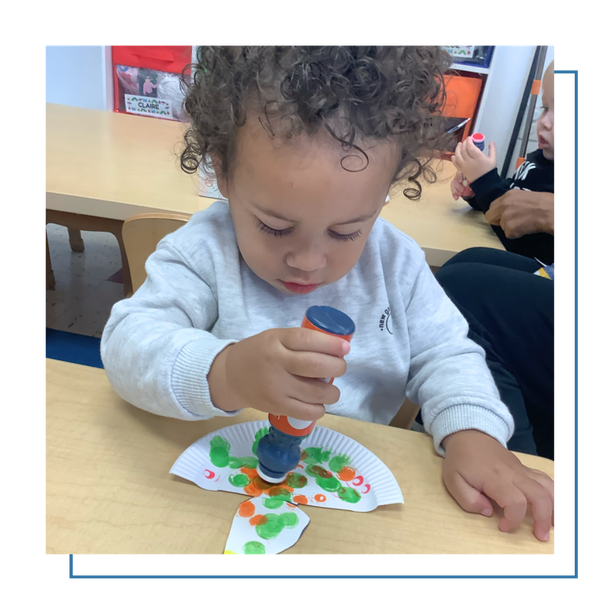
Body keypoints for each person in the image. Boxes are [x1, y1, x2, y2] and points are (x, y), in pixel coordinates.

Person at [101, 45, 555, 542]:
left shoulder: (396, 264)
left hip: (343, 506)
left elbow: (447, 353)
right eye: (275, 227)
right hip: (201, 495)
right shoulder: (205, 251)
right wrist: (224, 371)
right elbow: (126, 343)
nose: (309, 261)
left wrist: (474, 433)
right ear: (223, 173)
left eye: (345, 232)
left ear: (384, 192)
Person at [433, 60, 557, 460]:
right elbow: (519, 234)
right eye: (545, 110)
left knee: (461, 290)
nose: (546, 125)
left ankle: (510, 456)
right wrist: (482, 195)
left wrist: (491, 186)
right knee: (466, 263)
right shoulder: (543, 162)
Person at [450, 60, 556, 266]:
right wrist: (476, 192)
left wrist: (485, 182)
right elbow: (512, 195)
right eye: (545, 108)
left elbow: (516, 229)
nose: (544, 121)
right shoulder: (543, 158)